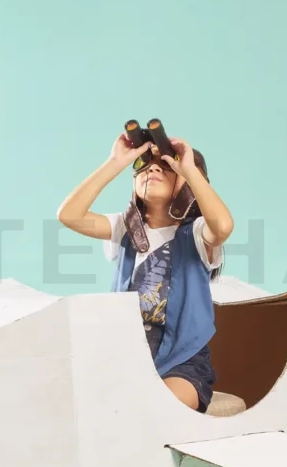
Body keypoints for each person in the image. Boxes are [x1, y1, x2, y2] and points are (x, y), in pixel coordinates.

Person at [57, 130, 234, 413]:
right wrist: (115, 162)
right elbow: (69, 215)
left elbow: (222, 226)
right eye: (144, 165)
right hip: (125, 352)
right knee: (89, 403)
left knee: (155, 409)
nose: (153, 168)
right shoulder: (124, 230)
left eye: (166, 165)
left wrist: (188, 167)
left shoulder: (198, 235)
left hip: (182, 359)